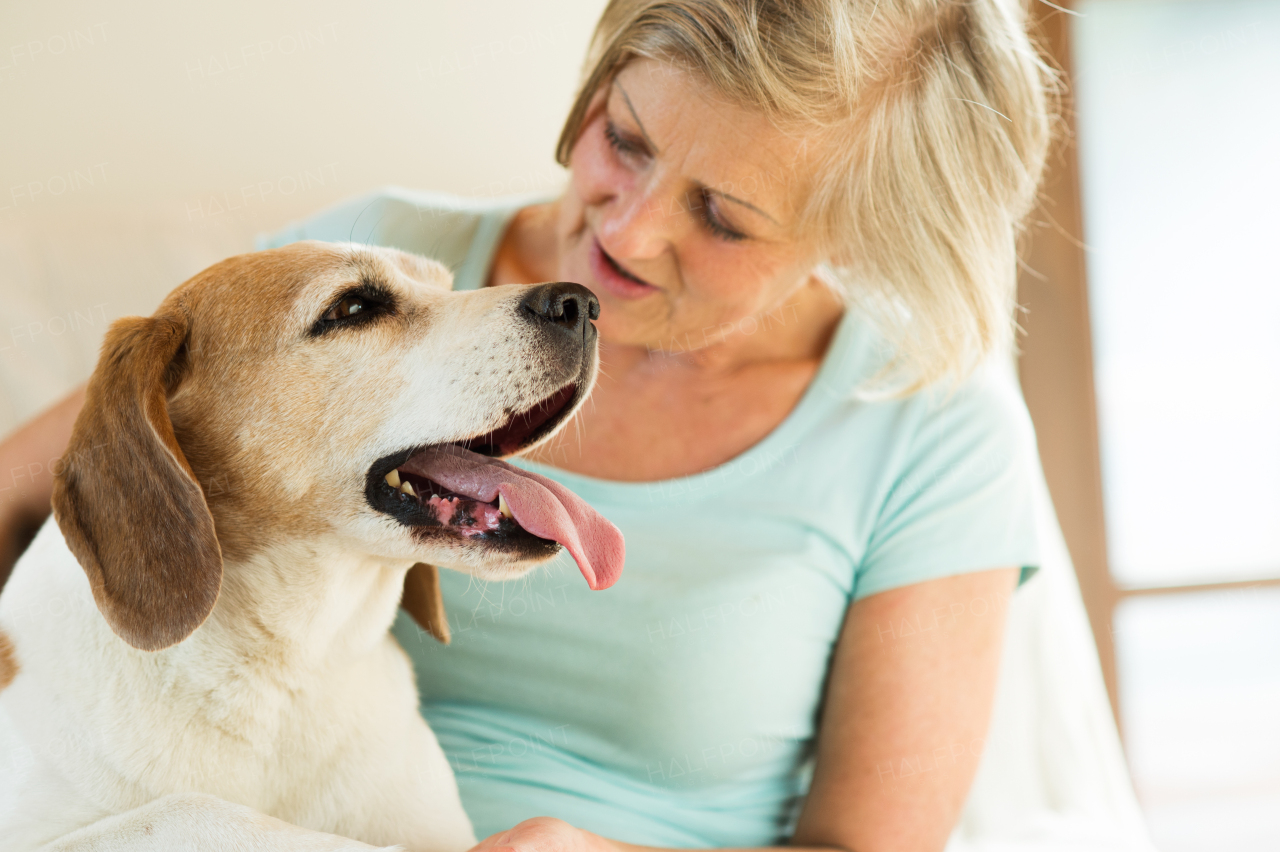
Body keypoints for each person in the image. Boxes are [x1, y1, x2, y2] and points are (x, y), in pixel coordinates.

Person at [0, 1, 1057, 850]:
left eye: (723, 215)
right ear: (596, 83)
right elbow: (81, 474)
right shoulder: (377, 257)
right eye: (624, 138)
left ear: (858, 238)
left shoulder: (929, 428)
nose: (626, 228)